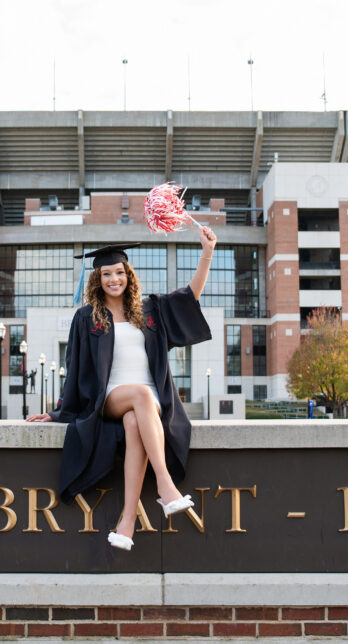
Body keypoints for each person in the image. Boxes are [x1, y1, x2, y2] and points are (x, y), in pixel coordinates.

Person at [27, 227, 217, 551]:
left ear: (128, 274)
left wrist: (207, 252)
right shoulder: (87, 318)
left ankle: (126, 523)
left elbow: (190, 296)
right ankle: (166, 486)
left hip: (151, 400)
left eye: (119, 272)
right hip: (112, 396)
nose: (114, 279)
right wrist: (59, 411)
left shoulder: (150, 310)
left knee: (134, 421)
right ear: (97, 279)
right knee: (138, 398)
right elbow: (75, 369)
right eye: (106, 274)